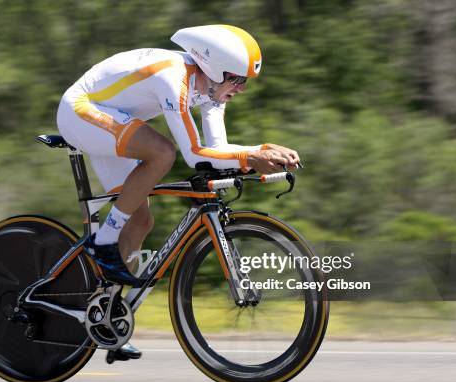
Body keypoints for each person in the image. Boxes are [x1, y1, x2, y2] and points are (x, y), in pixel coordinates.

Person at [56, 25, 300, 359]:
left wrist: (257, 155)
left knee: (139, 223)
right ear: (214, 68)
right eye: (237, 80)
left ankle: (107, 318)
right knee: (163, 152)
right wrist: (254, 153)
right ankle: (102, 243)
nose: (240, 89)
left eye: (244, 82)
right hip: (80, 111)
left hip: (113, 119)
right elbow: (193, 154)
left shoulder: (213, 92)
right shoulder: (173, 77)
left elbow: (216, 151)